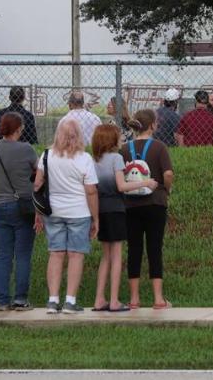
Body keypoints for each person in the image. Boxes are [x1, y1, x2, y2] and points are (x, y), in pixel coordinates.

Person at [34, 118, 99, 314]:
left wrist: (38, 213)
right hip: (79, 212)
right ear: (79, 136)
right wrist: (96, 218)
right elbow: (91, 191)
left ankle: (53, 300)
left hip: (53, 211)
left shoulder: (46, 155)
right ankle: (70, 301)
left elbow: (37, 185)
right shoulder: (84, 159)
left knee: (55, 253)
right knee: (76, 254)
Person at [90, 124, 157, 312]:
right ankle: (114, 300)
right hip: (116, 209)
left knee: (105, 257)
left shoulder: (94, 160)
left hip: (100, 209)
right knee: (117, 255)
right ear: (111, 139)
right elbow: (121, 186)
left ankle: (98, 299)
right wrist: (145, 182)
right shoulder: (116, 158)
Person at [119, 109, 175, 310]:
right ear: (152, 125)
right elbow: (167, 174)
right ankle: (158, 298)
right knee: (154, 248)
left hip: (131, 204)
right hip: (155, 202)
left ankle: (134, 298)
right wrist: (166, 189)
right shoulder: (159, 147)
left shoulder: (125, 149)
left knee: (134, 248)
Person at [0, 112, 38, 311]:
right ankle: (20, 299)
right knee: (23, 254)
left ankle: (2, 300)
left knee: (4, 254)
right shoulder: (26, 149)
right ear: (18, 128)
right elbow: (37, 171)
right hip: (22, 206)